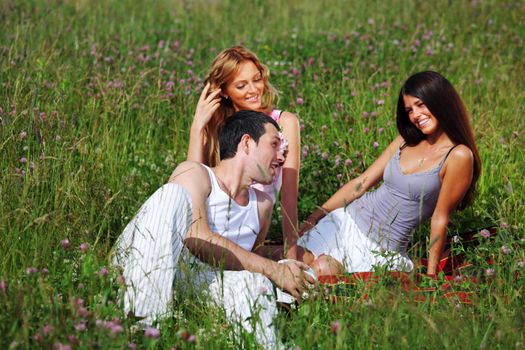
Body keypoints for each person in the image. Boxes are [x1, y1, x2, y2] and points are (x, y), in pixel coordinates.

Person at [113, 110, 314, 349]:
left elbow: (253, 259)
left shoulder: (263, 205)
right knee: (173, 193)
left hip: (202, 280)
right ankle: (142, 327)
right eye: (274, 143)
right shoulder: (195, 173)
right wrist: (273, 269)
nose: (282, 155)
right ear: (247, 143)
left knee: (251, 283)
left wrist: (286, 268)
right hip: (156, 260)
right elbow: (197, 237)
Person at [290, 71, 481, 277]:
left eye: (420, 105)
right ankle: (254, 257)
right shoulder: (405, 140)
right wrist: (314, 218)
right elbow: (361, 183)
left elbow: (439, 218)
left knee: (322, 270)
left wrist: (431, 276)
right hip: (348, 220)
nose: (415, 115)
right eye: (409, 110)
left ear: (440, 101)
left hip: (380, 249)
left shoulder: (458, 156)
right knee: (293, 258)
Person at [187, 46, 301, 257]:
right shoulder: (214, 126)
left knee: (309, 259)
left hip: (253, 228)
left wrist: (291, 257)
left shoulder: (283, 122)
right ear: (223, 91)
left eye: (257, 79)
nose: (254, 90)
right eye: (241, 85)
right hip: (213, 226)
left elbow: (288, 198)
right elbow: (191, 180)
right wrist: (197, 128)